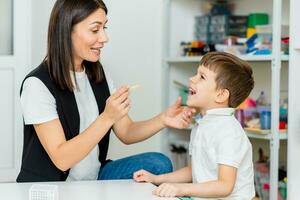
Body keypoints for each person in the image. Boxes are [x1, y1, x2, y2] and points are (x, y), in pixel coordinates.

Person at [16, 0, 195, 182]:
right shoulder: (37, 85)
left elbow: (126, 131)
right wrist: (107, 117)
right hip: (53, 185)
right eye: (95, 30)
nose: (104, 38)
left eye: (104, 28)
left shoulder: (97, 73)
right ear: (66, 30)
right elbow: (61, 159)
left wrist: (163, 119)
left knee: (159, 163)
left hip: (95, 177)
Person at [134, 52, 256, 199]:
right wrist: (156, 179)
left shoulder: (229, 132)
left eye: (201, 77)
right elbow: (194, 171)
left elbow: (224, 186)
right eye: (196, 74)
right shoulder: (202, 125)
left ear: (221, 95)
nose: (191, 79)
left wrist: (181, 189)